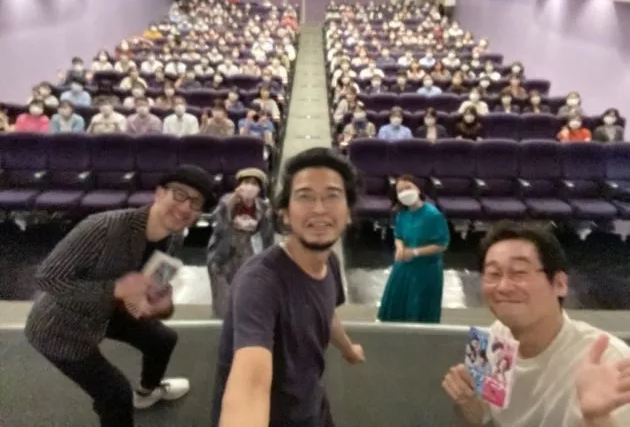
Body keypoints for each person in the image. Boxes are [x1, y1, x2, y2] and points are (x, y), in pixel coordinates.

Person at [25, 165, 215, 427]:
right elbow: (47, 279)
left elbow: (145, 298)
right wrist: (114, 289)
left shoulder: (174, 237)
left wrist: (161, 305)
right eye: (180, 194)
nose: (185, 208)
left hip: (110, 311)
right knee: (115, 394)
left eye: (196, 203)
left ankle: (147, 393)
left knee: (163, 339)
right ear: (159, 193)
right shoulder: (103, 227)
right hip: (60, 326)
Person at [211, 147, 365, 427]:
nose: (319, 209)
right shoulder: (259, 282)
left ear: (349, 212)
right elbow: (250, 384)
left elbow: (326, 311)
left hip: (310, 402)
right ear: (284, 213)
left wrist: (347, 348)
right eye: (304, 196)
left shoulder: (329, 262)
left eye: (332, 195)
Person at [441, 221, 630, 426]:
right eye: (493, 274)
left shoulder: (610, 359)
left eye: (519, 272)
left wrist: (597, 418)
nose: (503, 287)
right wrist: (465, 398)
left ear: (559, 284)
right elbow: (482, 418)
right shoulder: (492, 338)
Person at [378, 175, 450, 323]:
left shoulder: (432, 215)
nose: (405, 193)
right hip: (404, 266)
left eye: (408, 188)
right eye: (400, 191)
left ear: (418, 189)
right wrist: (399, 247)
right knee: (397, 304)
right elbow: (399, 235)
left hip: (425, 270)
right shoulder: (401, 214)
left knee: (418, 309)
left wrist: (415, 252)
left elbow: (442, 244)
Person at [206, 168, 275, 318]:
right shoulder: (226, 202)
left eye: (254, 183)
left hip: (250, 257)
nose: (250, 186)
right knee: (224, 307)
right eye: (246, 182)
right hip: (224, 258)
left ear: (259, 188)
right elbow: (217, 225)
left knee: (248, 304)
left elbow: (267, 237)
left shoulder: (263, 208)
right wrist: (232, 205)